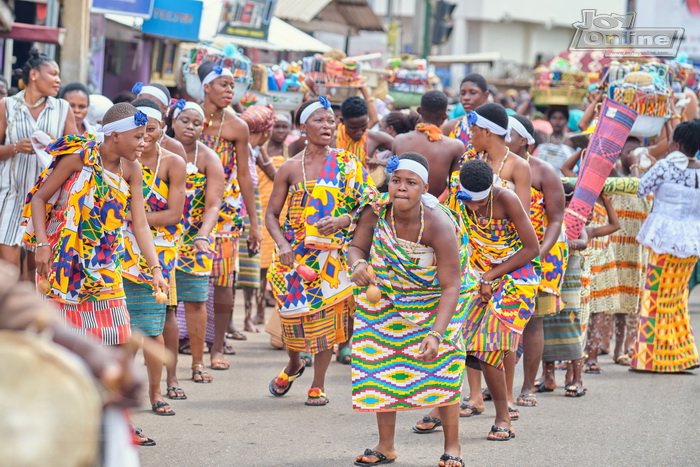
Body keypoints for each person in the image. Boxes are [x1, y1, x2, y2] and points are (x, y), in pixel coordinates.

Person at [349, 153, 467, 467]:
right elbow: (356, 247)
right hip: (386, 299)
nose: (401, 188)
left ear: (424, 187)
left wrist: (437, 333)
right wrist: (358, 264)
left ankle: (452, 447)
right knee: (379, 369)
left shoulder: (438, 224)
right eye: (396, 181)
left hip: (435, 301)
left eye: (410, 183)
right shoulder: (376, 213)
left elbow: (451, 284)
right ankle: (385, 446)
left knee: (444, 370)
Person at [23, 103, 168, 344]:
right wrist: (41, 244)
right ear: (115, 136)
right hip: (64, 259)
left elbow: (140, 224)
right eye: (138, 137)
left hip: (107, 262)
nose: (144, 142)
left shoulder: (132, 169)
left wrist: (155, 269)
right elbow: (39, 198)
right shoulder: (78, 158)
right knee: (60, 341)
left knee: (117, 339)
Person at [266, 97, 373, 406]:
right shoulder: (289, 167)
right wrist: (283, 245)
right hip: (295, 256)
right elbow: (271, 214)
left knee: (328, 317)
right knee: (292, 316)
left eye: (331, 121)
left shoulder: (348, 163)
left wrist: (344, 219)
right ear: (303, 126)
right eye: (320, 121)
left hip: (333, 255)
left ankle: (318, 384)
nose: (328, 126)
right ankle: (294, 363)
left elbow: (369, 204)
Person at [457, 159, 539, 439]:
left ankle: (504, 418)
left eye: (481, 202)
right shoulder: (458, 200)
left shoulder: (507, 198)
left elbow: (532, 248)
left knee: (489, 342)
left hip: (516, 276)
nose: (476, 209)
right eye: (471, 202)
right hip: (477, 277)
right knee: (454, 338)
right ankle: (441, 407)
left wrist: (491, 275)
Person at [121, 98, 186, 415]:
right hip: (117, 253)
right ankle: (122, 395)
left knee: (153, 328)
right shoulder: (118, 162)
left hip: (155, 253)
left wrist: (133, 221)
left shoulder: (173, 162)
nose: (145, 136)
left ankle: (156, 392)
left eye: (151, 129)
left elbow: (174, 214)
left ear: (162, 128)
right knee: (121, 331)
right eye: (139, 130)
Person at [197, 62, 262, 366]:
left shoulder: (237, 126)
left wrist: (255, 224)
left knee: (224, 280)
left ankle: (217, 347)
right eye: (223, 84)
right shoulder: (187, 118)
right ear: (206, 86)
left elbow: (246, 176)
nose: (229, 90)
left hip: (226, 212)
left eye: (232, 86)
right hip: (184, 208)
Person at [629, 120, 700, 373]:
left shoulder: (667, 166)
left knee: (654, 296)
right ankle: (679, 354)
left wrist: (635, 166)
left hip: (663, 239)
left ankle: (649, 358)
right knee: (676, 297)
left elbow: (640, 189)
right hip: (691, 241)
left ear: (677, 144)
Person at [507, 114, 567, 407]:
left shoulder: (544, 172)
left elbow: (556, 221)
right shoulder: (493, 168)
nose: (502, 137)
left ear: (525, 140)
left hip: (543, 253)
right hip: (501, 252)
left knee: (532, 319)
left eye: (509, 133)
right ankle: (500, 385)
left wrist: (539, 252)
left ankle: (528, 386)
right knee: (498, 321)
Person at [164, 100, 224, 387]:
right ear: (172, 121)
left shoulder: (209, 158)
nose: (190, 126)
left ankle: (198, 363)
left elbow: (213, 204)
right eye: (184, 121)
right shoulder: (157, 151)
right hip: (162, 236)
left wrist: (203, 234)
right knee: (165, 305)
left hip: (194, 238)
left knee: (196, 300)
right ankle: (167, 369)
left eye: (196, 122)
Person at [0, 49, 77, 269]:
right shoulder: (7, 105)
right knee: (8, 272)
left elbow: (78, 153)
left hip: (47, 200)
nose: (58, 80)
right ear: (34, 75)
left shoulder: (62, 108)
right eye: (53, 74)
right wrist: (15, 147)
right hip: (10, 197)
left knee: (35, 275)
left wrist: (56, 145)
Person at [541, 182, 589, 397]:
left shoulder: (574, 218)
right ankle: (547, 376)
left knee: (571, 323)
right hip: (547, 276)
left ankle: (578, 379)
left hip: (568, 276)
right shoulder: (539, 214)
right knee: (545, 323)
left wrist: (563, 243)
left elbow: (584, 241)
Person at [238, 105, 277, 333]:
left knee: (251, 268)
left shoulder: (254, 150)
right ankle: (237, 322)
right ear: (265, 131)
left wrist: (261, 150)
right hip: (236, 212)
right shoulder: (239, 147)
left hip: (250, 211)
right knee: (235, 272)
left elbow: (274, 175)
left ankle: (248, 317)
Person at [392, 91, 464, 200]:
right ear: (445, 116)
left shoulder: (399, 140)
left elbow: (394, 179)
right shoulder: (455, 146)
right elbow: (455, 188)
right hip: (436, 209)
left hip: (402, 205)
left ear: (419, 110)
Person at [335, 94, 394, 167]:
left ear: (367, 118)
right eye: (353, 128)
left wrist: (382, 162)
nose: (359, 132)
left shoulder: (374, 137)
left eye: (363, 126)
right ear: (342, 121)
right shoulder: (332, 140)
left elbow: (404, 151)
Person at [131, 82, 186, 158]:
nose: (145, 107)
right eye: (141, 102)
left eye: (150, 129)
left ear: (165, 108)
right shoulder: (124, 145)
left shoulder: (174, 147)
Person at [442, 73, 490, 146]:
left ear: (485, 95)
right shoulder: (451, 127)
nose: (466, 97)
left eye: (472, 93)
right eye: (463, 93)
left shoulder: (494, 128)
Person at [533, 106, 574, 174]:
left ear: (566, 120)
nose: (557, 121)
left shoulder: (571, 140)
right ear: (549, 120)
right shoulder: (542, 137)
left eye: (561, 118)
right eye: (554, 118)